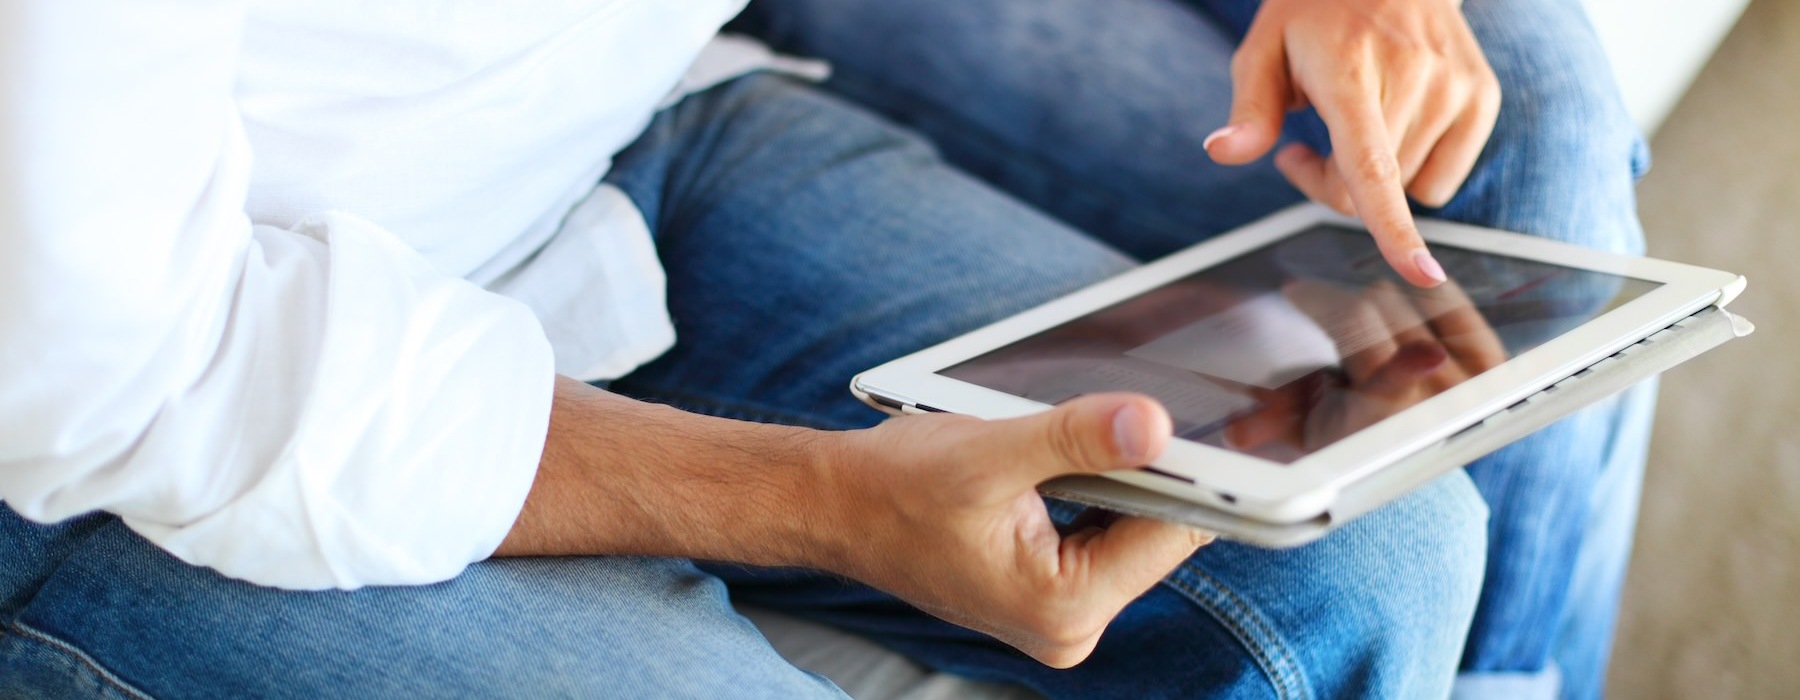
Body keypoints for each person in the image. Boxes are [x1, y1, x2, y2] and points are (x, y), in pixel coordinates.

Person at [0, 0, 1652, 697]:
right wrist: (826, 501)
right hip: (112, 408)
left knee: (1367, 548)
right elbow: (113, 362)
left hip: (608, 127)